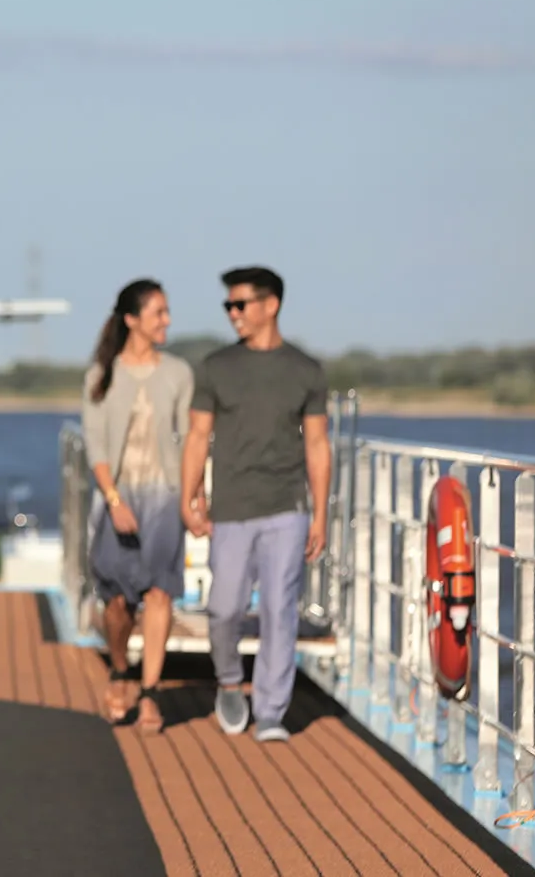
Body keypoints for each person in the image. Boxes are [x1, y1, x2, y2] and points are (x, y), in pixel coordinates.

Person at [181, 266, 331, 743]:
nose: (233, 314)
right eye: (228, 306)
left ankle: (270, 711)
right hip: (231, 508)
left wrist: (321, 513)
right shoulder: (216, 366)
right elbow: (198, 435)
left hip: (287, 507)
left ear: (271, 305)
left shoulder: (305, 370)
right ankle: (229, 682)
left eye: (240, 304)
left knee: (279, 611)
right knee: (223, 609)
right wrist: (190, 496)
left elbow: (318, 445)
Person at [81, 278, 191, 734]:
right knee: (118, 604)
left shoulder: (179, 373)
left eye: (166, 312)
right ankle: (120, 668)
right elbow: (96, 448)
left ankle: (149, 694)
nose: (166, 321)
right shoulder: (101, 375)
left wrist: (194, 499)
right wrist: (113, 500)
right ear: (132, 319)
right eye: (158, 313)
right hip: (119, 496)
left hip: (164, 498)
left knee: (159, 592)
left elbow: (189, 442)